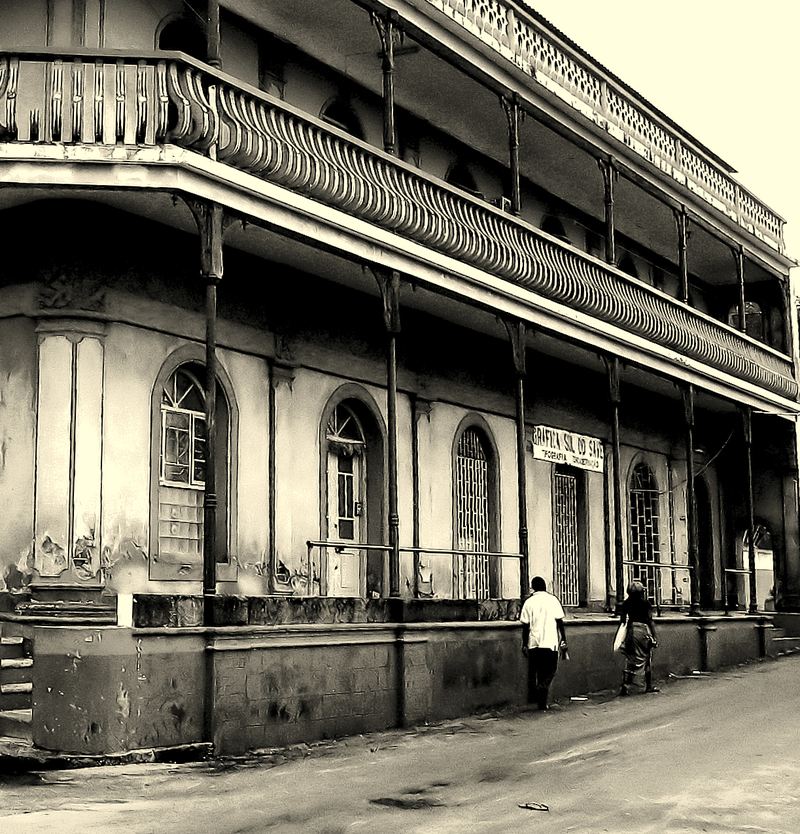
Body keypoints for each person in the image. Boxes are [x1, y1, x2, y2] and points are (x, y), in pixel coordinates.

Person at [519, 576, 567, 711]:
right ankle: (543, 690)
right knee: (551, 670)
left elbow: (525, 625)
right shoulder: (553, 600)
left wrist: (524, 644)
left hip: (534, 643)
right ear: (545, 586)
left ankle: (542, 703)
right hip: (550, 642)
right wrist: (563, 639)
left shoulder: (529, 602)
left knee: (539, 672)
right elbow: (560, 622)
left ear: (533, 587)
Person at [618, 580, 659, 696]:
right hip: (642, 630)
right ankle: (649, 685)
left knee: (630, 658)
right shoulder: (645, 604)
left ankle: (625, 686)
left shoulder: (625, 604)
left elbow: (622, 620)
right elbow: (650, 620)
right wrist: (655, 636)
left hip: (631, 630)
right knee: (646, 657)